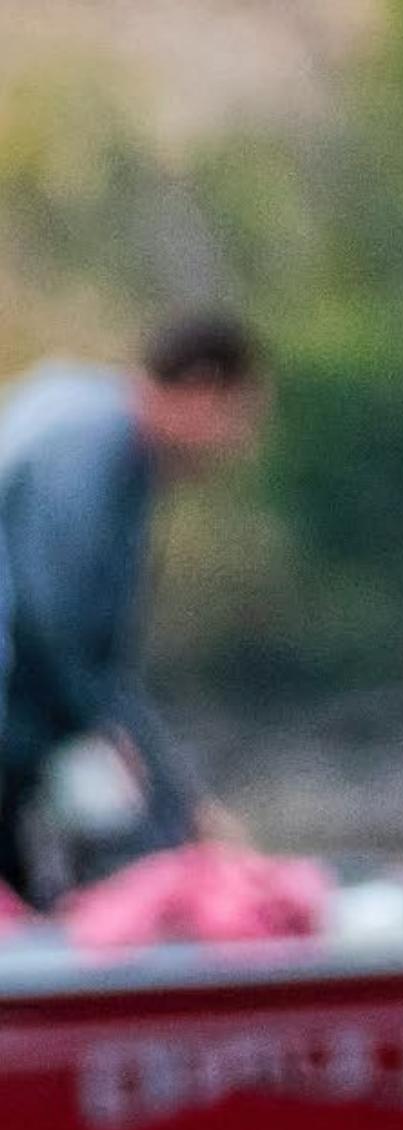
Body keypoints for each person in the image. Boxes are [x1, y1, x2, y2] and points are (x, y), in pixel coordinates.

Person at [0, 312, 269, 902]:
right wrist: (169, 797)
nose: (240, 444)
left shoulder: (100, 431)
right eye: (239, 417)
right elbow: (58, 630)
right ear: (200, 389)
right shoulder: (90, 450)